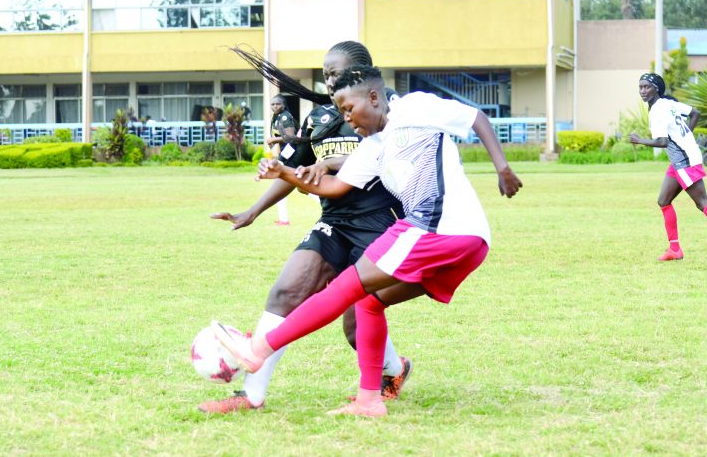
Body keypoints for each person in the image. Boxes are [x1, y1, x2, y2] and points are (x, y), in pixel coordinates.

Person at [211, 65, 523, 417]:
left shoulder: (413, 107)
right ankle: (369, 400)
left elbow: (475, 117)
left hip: (438, 229)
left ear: (374, 97)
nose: (347, 118)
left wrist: (502, 167)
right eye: (341, 110)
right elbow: (334, 186)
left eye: (349, 109)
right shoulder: (374, 147)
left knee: (345, 288)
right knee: (370, 303)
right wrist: (284, 172)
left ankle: (257, 349)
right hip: (465, 243)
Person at [200, 42, 411, 414]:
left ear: (364, 71)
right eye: (325, 74)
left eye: (336, 73)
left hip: (382, 227)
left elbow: (392, 153)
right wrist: (253, 211)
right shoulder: (320, 118)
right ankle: (250, 395)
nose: (329, 81)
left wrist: (332, 165)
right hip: (335, 222)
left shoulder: (388, 106)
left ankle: (395, 370)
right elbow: (294, 168)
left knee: (355, 325)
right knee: (285, 293)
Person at [630, 73, 707, 263]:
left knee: (702, 202)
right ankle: (675, 249)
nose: (642, 91)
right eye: (640, 87)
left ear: (656, 88)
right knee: (663, 201)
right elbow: (695, 113)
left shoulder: (658, 110)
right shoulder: (668, 104)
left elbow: (662, 141)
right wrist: (686, 137)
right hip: (681, 159)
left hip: (685, 160)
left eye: (647, 87)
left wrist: (640, 140)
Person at [266, 94, 299, 226]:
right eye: (272, 104)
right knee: (283, 183)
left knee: (298, 186)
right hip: (286, 153)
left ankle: (284, 219)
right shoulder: (276, 117)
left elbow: (291, 137)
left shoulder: (285, 116)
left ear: (283, 105)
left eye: (277, 104)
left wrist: (274, 140)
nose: (275, 106)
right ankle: (283, 219)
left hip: (291, 154)